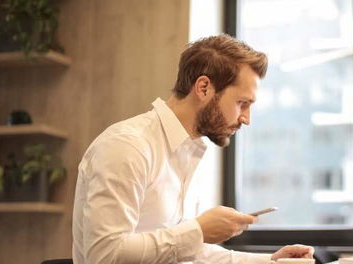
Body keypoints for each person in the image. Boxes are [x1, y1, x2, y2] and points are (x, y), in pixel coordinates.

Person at [72, 34, 314, 264]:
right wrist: (197, 230)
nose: (246, 119)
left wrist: (271, 261)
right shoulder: (127, 146)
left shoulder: (187, 152)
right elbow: (104, 256)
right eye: (242, 103)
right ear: (204, 88)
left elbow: (187, 253)